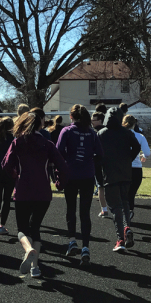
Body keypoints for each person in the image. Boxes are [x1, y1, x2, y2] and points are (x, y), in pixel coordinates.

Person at [2, 111, 67, 278]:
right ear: (41, 125)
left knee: (22, 229)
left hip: (23, 190)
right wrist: (59, 182)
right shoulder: (48, 144)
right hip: (43, 192)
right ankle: (35, 268)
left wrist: (16, 175)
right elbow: (63, 165)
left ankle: (28, 249)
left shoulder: (17, 143)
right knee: (35, 228)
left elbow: (6, 164)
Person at [56, 105, 103, 265]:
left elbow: (59, 152)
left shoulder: (67, 131)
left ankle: (72, 240)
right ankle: (86, 247)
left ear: (72, 117)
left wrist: (61, 170)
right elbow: (100, 154)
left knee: (70, 209)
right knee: (85, 212)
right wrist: (88, 162)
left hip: (71, 175)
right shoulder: (92, 133)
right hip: (87, 176)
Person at [97, 105, 141, 253]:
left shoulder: (101, 133)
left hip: (109, 174)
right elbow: (136, 146)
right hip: (125, 173)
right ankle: (127, 227)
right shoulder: (127, 133)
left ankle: (120, 239)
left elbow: (96, 156)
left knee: (115, 207)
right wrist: (129, 159)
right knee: (125, 203)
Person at [123, 114, 150, 221]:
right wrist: (143, 156)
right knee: (131, 194)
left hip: (123, 168)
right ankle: (129, 211)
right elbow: (147, 153)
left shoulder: (120, 135)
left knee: (122, 193)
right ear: (134, 124)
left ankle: (123, 215)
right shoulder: (140, 136)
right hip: (136, 169)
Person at [91, 111, 110, 218]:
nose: (91, 122)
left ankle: (104, 210)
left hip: (99, 163)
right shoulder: (110, 132)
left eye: (93, 120)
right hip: (110, 163)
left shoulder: (95, 133)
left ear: (100, 121)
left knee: (101, 186)